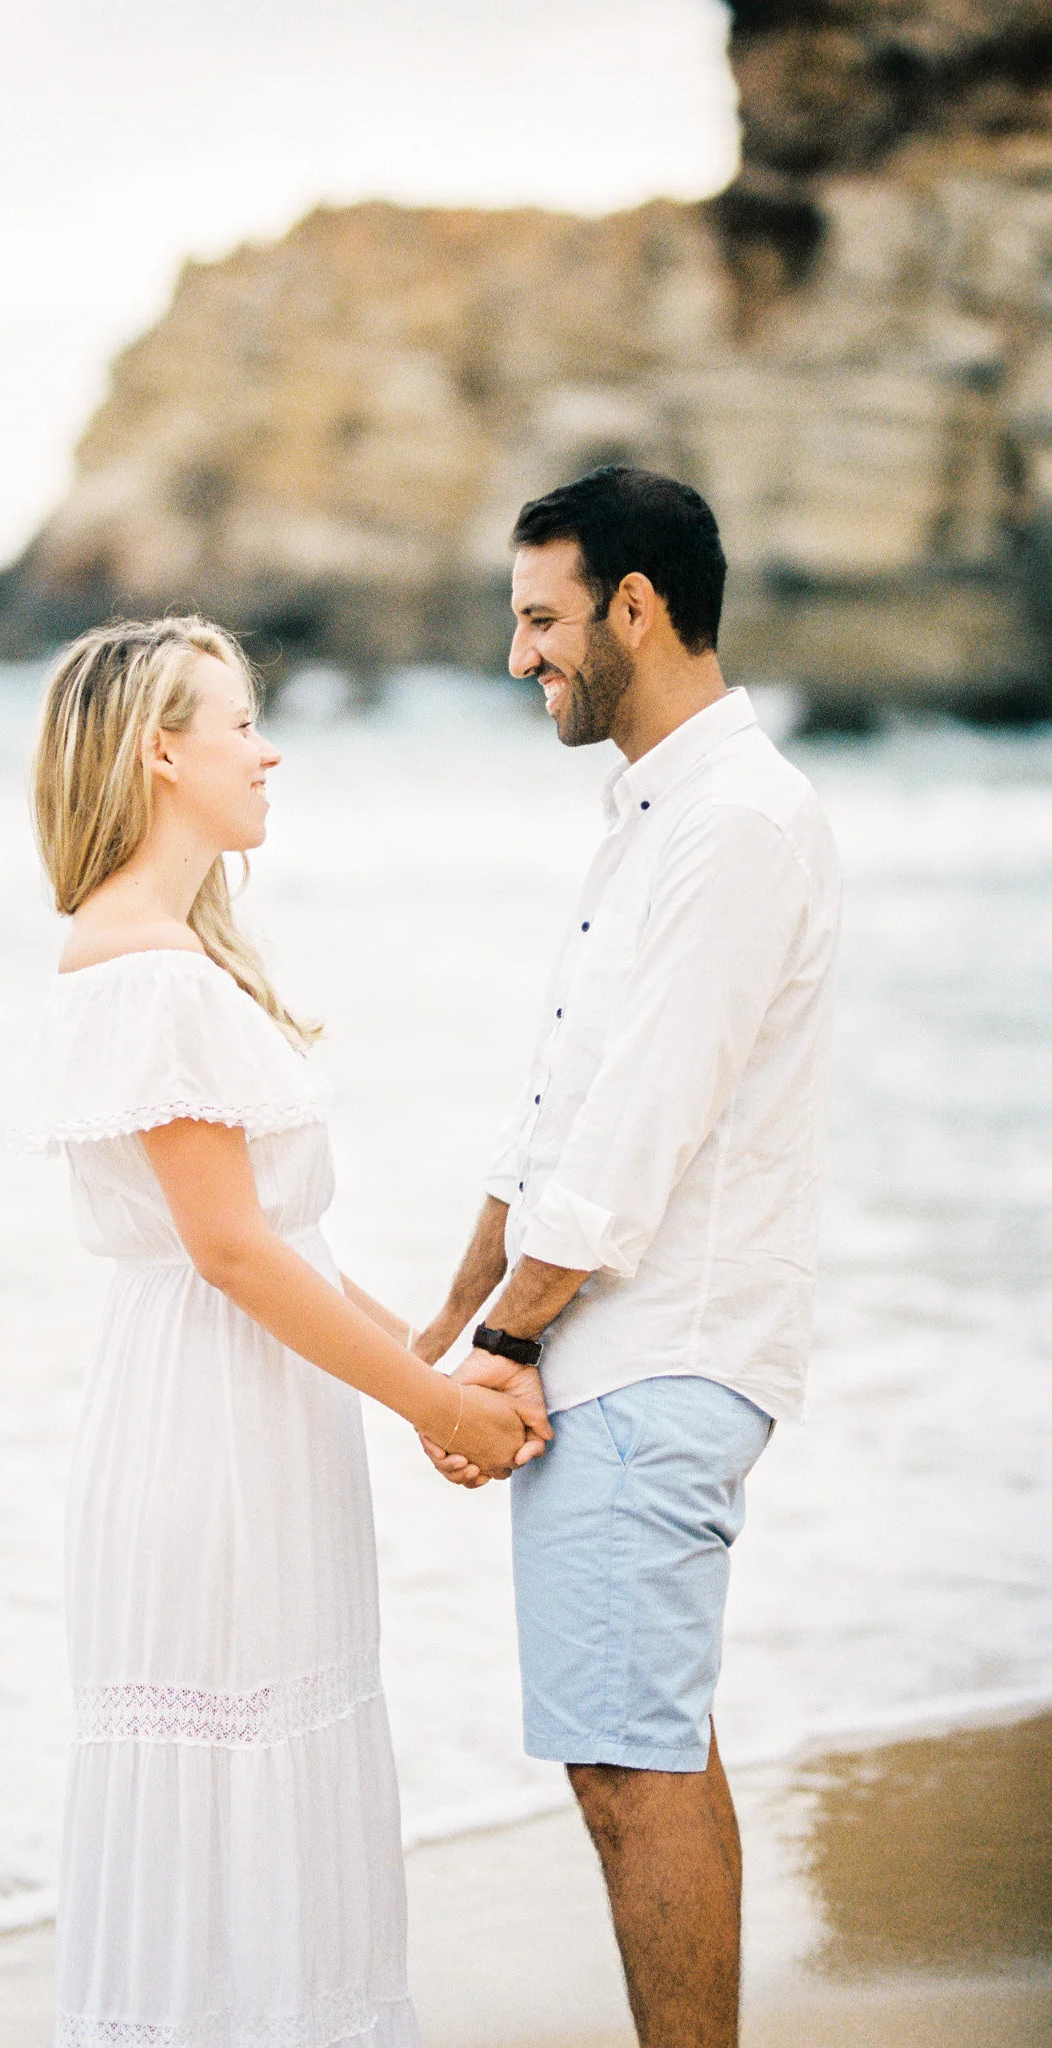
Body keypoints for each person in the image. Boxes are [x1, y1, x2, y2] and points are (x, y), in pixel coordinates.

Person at [11, 616, 543, 2048]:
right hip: (213, 1438)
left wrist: (433, 1370)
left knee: (264, 1756)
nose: (268, 750)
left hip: (229, 1413)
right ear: (158, 752)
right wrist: (433, 1411)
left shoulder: (160, 956)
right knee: (234, 1761)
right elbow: (234, 1251)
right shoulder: (147, 972)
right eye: (239, 722)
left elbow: (284, 1247)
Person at [415, 468, 841, 2048]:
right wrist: (444, 1325)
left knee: (627, 1769)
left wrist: (508, 1348)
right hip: (622, 1350)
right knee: (644, 1749)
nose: (521, 655)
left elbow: (630, 1143)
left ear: (636, 607)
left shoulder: (733, 826)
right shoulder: (657, 816)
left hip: (655, 1358)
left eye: (541, 618)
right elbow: (557, 1117)